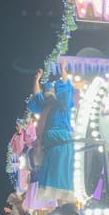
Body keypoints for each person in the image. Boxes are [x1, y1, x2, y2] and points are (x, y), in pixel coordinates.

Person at [27, 59, 75, 207]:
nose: (47, 96)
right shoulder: (45, 108)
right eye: (46, 94)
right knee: (51, 176)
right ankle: (61, 207)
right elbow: (37, 97)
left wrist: (63, 70)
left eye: (49, 94)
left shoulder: (63, 107)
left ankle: (65, 207)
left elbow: (66, 91)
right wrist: (37, 81)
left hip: (61, 142)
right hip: (49, 145)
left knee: (59, 176)